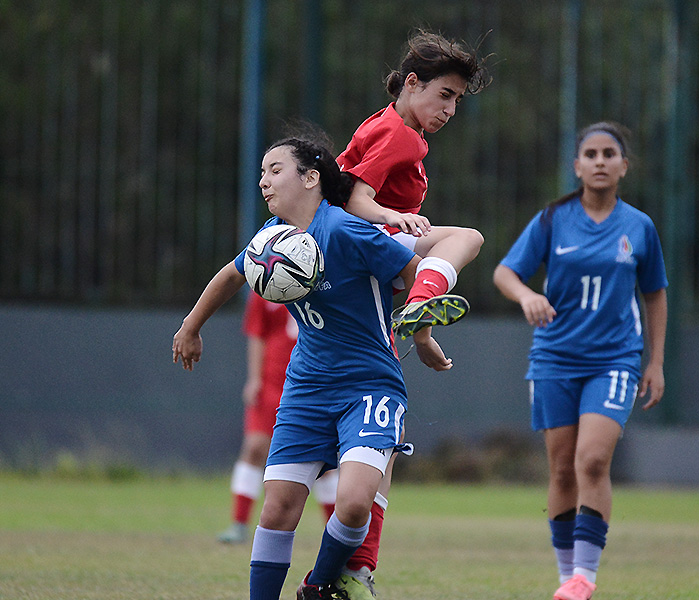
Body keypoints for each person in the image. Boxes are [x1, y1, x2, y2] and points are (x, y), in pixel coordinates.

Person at [172, 128, 453, 600]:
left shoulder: (345, 229)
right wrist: (191, 326)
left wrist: (421, 333)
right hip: (306, 388)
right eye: (262, 173)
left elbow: (411, 273)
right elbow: (231, 275)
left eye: (275, 170)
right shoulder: (271, 239)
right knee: (278, 508)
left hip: (369, 384)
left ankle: (318, 584)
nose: (264, 181)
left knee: (355, 501)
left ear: (310, 178)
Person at [493, 122, 668, 600]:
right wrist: (527, 295)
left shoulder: (639, 227)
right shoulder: (553, 219)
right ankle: (567, 577)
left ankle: (585, 577)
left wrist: (655, 362)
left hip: (614, 359)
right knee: (562, 470)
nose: (599, 161)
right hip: (554, 359)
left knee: (591, 460)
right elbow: (505, 272)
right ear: (577, 166)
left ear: (624, 166)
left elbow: (655, 294)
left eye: (609, 154)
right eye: (590, 154)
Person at [337, 29, 492, 341]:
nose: (451, 110)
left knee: (428, 262)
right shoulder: (399, 135)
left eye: (457, 100)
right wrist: (393, 216)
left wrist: (423, 340)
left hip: (358, 243)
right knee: (468, 238)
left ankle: (418, 314)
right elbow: (354, 199)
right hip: (360, 241)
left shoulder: (388, 122)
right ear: (411, 82)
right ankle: (419, 303)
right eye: (445, 95)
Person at [217, 293, 338, 545]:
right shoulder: (264, 282)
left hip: (312, 381)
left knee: (323, 459)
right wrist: (254, 378)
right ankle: (239, 523)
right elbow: (256, 334)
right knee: (255, 447)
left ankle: (336, 532)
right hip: (272, 381)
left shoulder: (324, 278)